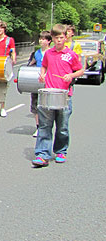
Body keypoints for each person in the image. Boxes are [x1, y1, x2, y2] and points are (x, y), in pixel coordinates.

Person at [32, 24, 84, 167]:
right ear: (53, 38)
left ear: (65, 38)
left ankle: (61, 151)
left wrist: (71, 75)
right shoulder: (49, 53)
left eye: (62, 38)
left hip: (65, 95)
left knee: (62, 127)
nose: (59, 40)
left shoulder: (71, 55)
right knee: (45, 126)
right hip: (49, 92)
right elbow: (44, 66)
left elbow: (80, 70)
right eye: (57, 38)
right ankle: (42, 155)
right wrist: (42, 74)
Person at [27, 31, 52, 138]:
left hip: (48, 83)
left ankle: (45, 126)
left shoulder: (52, 53)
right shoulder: (36, 53)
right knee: (36, 105)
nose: (41, 41)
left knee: (46, 106)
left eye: (43, 39)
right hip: (37, 82)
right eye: (40, 39)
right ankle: (38, 127)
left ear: (49, 41)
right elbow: (31, 63)